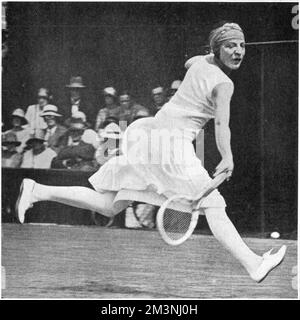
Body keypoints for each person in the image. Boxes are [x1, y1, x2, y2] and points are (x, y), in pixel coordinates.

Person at [16, 23, 286, 282]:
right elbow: (221, 125)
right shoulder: (224, 85)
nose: (238, 51)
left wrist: (213, 52)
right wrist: (227, 157)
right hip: (171, 145)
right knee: (214, 204)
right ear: (218, 49)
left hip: (151, 137)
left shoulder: (199, 62)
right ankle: (254, 264)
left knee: (110, 205)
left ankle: (38, 190)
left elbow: (188, 62)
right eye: (230, 46)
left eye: (242, 45)